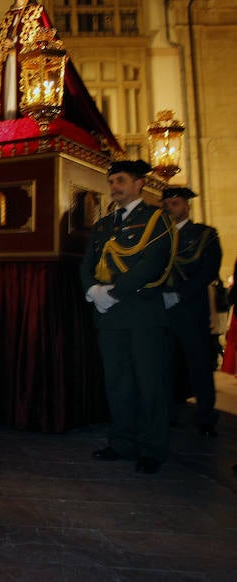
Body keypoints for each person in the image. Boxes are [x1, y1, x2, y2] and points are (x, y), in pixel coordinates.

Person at [80, 160, 177, 474]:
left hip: (142, 313)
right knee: (117, 382)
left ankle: (152, 448)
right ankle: (122, 442)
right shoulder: (104, 224)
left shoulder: (156, 219)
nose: (114, 187)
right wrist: (92, 291)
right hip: (110, 316)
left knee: (149, 382)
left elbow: (151, 265)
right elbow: (87, 262)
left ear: (139, 185)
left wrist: (113, 293)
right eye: (111, 182)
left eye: (121, 180)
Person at [0, 0, 120, 154]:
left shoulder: (37, 12)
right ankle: (7, 124)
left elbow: (44, 41)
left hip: (27, 68)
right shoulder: (8, 16)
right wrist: (4, 47)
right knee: (6, 98)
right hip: (8, 65)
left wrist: (15, 44)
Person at [161, 187, 223, 436]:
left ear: (187, 206)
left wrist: (179, 294)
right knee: (165, 363)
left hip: (190, 309)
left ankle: (206, 416)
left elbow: (208, 270)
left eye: (175, 204)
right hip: (162, 309)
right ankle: (168, 412)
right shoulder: (158, 236)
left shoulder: (204, 235)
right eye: (166, 204)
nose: (170, 208)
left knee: (198, 364)